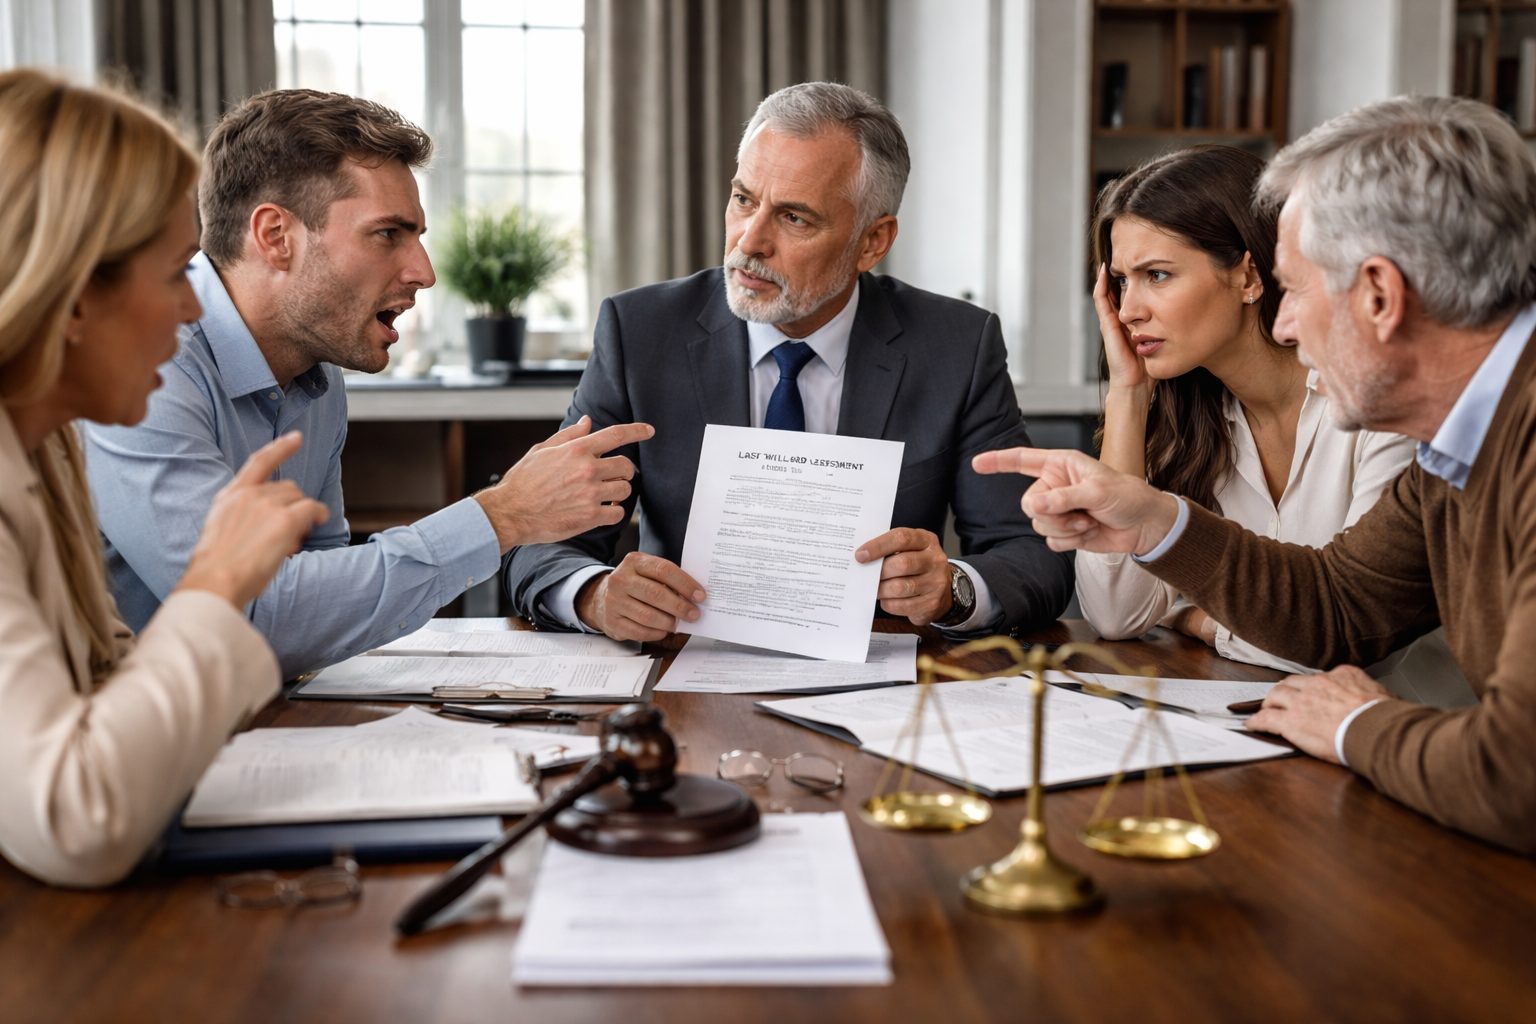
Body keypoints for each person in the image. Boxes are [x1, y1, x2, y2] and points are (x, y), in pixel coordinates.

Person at [976, 95, 1536, 854]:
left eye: (1297, 290)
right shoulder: (1461, 438)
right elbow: (1340, 603)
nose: (1283, 324)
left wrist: (1353, 722)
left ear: (1379, 295)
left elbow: (1517, 776)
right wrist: (1154, 524)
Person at [83, 89, 651, 679]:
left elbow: (321, 594)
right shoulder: (150, 364)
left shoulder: (318, 376)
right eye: (388, 235)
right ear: (276, 236)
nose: (424, 272)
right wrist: (499, 517)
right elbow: (248, 620)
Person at [503, 82, 1072, 642]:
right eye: (744, 199)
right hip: (686, 673)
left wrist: (954, 587)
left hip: (881, 684)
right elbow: (538, 539)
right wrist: (593, 595)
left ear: (872, 241)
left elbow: (1032, 556)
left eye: (794, 218)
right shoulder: (641, 333)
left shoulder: (955, 346)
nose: (749, 241)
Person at [0, 69, 331, 886]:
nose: (193, 311)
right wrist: (216, 582)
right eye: (177, 271)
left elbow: (105, 677)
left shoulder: (45, 446)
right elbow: (76, 823)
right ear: (74, 296)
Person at [1076, 145, 1469, 707]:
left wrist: (1200, 620)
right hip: (1257, 734)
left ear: (1249, 276)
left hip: (1413, 743)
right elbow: (1118, 614)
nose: (1128, 309)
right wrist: (1129, 394)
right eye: (1120, 282)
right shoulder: (1189, 419)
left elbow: (1348, 647)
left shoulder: (1378, 401)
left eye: (1156, 275)